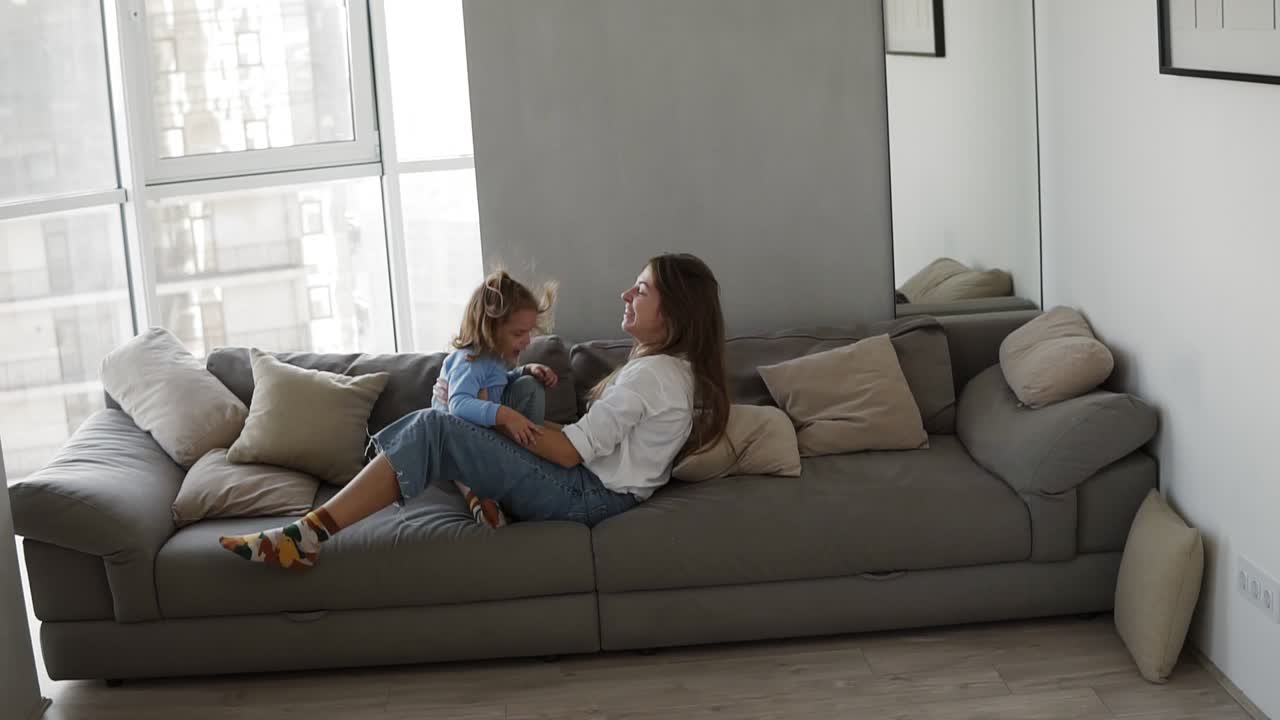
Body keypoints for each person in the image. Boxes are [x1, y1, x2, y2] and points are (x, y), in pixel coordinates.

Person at [218, 253, 730, 570]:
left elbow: (572, 454)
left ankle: (305, 536)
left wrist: (479, 420)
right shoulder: (668, 371)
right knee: (458, 419)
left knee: (433, 427)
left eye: (641, 289)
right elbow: (580, 438)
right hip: (595, 487)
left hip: (586, 496)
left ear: (675, 310)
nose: (626, 292)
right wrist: (496, 414)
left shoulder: (653, 375)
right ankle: (464, 479)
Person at [434, 269, 558, 527]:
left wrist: (526, 370)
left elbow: (497, 386)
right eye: (518, 334)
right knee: (464, 463)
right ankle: (476, 493)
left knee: (530, 386)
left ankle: (526, 458)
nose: (526, 341)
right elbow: (458, 404)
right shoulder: (469, 360)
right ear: (489, 329)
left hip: (485, 432)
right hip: (454, 438)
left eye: (528, 333)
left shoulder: (495, 360)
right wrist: (507, 415)